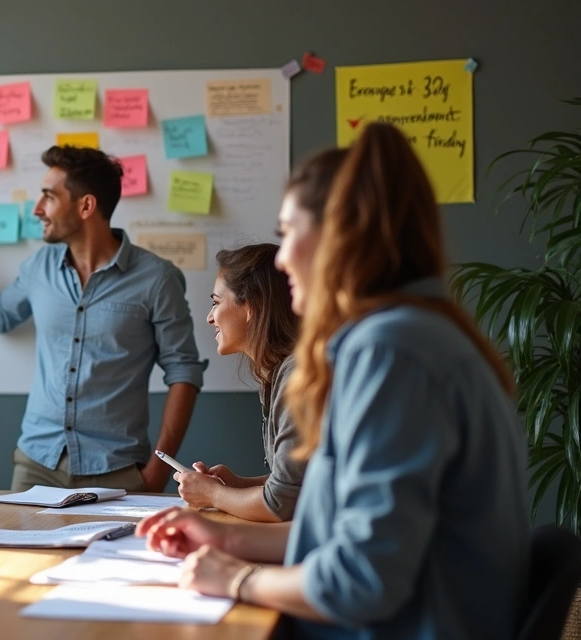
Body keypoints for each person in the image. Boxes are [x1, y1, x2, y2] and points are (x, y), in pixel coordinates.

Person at [138, 124, 529, 638]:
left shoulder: (390, 353)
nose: (280, 260)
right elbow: (336, 533)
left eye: (288, 232)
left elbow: (361, 580)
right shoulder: (420, 335)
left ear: (339, 234)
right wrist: (225, 539)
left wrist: (238, 579)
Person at [0, 146, 204, 493]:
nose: (37, 209)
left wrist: (158, 470)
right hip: (36, 465)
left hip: (118, 470)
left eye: (49, 197)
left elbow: (184, 371)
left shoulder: (157, 279)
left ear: (86, 206)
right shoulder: (39, 268)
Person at [175, 243, 305, 522]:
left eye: (215, 302)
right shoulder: (276, 372)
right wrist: (237, 486)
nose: (210, 317)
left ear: (251, 306)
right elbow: (298, 484)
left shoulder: (298, 375)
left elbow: (281, 503)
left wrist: (213, 495)